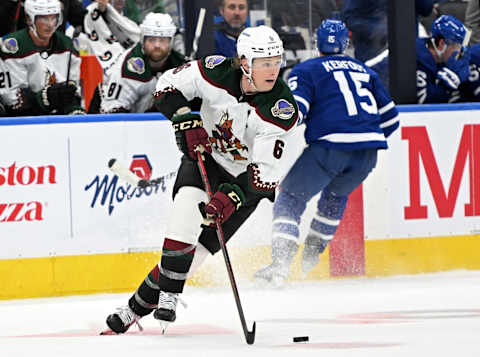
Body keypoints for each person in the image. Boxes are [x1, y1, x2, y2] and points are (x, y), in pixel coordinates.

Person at [104, 25, 299, 334]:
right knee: (183, 222)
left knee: (192, 261)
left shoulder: (281, 110)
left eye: (276, 61)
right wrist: (183, 116)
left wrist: (232, 196)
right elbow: (167, 85)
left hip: (244, 186)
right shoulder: (214, 71)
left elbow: (264, 176)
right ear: (244, 63)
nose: (272, 70)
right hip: (206, 161)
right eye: (264, 63)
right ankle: (168, 296)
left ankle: (132, 309)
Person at [254, 19, 399, 287]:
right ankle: (311, 256)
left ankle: (280, 266)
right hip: (368, 153)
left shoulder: (306, 70)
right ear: (348, 43)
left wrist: (266, 128)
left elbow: (298, 111)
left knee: (289, 200)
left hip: (330, 147)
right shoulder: (365, 71)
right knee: (335, 196)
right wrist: (361, 139)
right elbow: (391, 120)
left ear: (314, 43)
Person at [0, 0, 84, 116]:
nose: (50, 24)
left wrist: (74, 109)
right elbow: (12, 101)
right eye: (44, 19)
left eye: (53, 18)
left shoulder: (67, 46)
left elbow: (72, 93)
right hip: (22, 121)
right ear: (29, 19)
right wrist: (45, 98)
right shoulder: (12, 46)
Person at [99, 12, 187, 113]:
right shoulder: (128, 66)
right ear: (142, 40)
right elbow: (113, 113)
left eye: (162, 40)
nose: (157, 45)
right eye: (152, 40)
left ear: (171, 42)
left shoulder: (181, 66)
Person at [416, 15, 470, 103]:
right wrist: (445, 87)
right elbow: (421, 103)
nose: (459, 53)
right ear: (442, 44)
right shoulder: (418, 60)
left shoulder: (439, 59)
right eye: (457, 47)